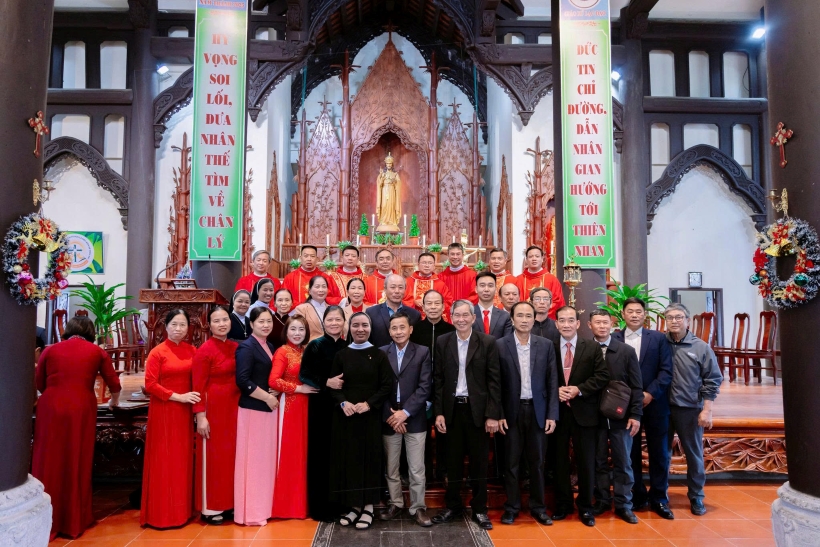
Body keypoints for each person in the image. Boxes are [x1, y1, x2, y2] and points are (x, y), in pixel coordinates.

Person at [32, 316, 122, 541]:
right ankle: (73, 519)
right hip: (81, 407)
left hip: (50, 406)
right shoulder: (96, 352)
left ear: (68, 330)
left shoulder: (50, 350)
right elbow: (114, 383)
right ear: (91, 333)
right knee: (76, 458)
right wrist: (114, 402)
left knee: (48, 458)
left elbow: (39, 383)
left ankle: (45, 518)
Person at [431, 300, 502, 531]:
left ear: (473, 318)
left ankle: (480, 509)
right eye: (457, 315)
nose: (461, 319)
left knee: (479, 463)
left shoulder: (487, 342)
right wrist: (439, 413)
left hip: (477, 412)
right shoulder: (443, 341)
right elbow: (438, 380)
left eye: (465, 315)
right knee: (452, 462)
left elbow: (494, 381)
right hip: (452, 410)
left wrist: (492, 414)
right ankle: (452, 506)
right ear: (451, 317)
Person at [328, 312, 393, 530]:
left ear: (370, 328)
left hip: (370, 416)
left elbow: (386, 385)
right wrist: (343, 403)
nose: (360, 329)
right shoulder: (342, 355)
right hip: (346, 417)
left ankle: (368, 507)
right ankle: (354, 506)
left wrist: (369, 404)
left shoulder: (379, 354)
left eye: (365, 325)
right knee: (350, 460)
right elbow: (334, 385)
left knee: (370, 459)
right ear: (349, 328)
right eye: (355, 325)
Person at [611, 297, 674, 519]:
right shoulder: (614, 338)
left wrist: (650, 394)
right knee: (631, 453)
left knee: (659, 453)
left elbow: (666, 370)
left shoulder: (658, 338)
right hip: (626, 406)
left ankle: (659, 499)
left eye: (638, 311)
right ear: (623, 314)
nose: (634, 315)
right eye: (630, 311)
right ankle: (637, 495)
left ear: (644, 315)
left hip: (655, 403)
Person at [496, 301, 558, 526]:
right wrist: (499, 413)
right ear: (512, 319)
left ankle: (538, 507)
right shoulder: (500, 345)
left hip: (537, 411)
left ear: (534, 319)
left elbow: (553, 381)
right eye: (519, 316)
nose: (524, 320)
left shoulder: (546, 345)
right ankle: (512, 507)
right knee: (511, 463)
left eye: (528, 316)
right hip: (511, 413)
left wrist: (552, 414)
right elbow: (495, 384)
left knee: (537, 463)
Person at [141, 309, 200, 529]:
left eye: (183, 325)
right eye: (174, 324)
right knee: (164, 460)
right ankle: (161, 515)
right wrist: (178, 396)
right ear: (165, 327)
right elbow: (150, 384)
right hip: (164, 410)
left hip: (184, 413)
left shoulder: (192, 351)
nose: (178, 329)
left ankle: (181, 512)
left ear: (188, 328)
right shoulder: (157, 352)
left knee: (181, 460)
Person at [552, 306, 610, 527]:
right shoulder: (548, 346)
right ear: (556, 323)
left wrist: (579, 389)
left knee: (586, 461)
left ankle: (585, 506)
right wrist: (555, 390)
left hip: (585, 412)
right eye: (562, 320)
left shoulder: (592, 347)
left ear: (577, 324)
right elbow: (543, 376)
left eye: (570, 320)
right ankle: (563, 504)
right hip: (557, 413)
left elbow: (602, 376)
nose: (566, 324)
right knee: (559, 461)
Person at [664, 303, 722, 516]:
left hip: (689, 408)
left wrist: (707, 409)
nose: (674, 321)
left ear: (687, 320)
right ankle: (660, 495)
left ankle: (696, 496)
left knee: (693, 454)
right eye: (670, 317)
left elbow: (713, 379)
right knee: (661, 453)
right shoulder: (660, 343)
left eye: (679, 317)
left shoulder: (700, 347)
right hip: (663, 409)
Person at [378, 312, 434, 527]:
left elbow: (425, 387)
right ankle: (395, 503)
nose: (398, 332)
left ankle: (418, 507)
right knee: (391, 467)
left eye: (402, 327)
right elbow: (378, 387)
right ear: (389, 331)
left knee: (416, 468)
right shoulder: (382, 352)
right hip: (390, 417)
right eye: (394, 328)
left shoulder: (422, 352)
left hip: (415, 417)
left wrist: (406, 413)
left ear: (410, 330)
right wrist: (392, 415)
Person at [588, 309, 643, 524]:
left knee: (623, 461)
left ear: (612, 324)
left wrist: (636, 414)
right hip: (594, 417)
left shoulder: (626, 351)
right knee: (599, 461)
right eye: (597, 322)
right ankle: (602, 500)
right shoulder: (585, 348)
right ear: (589, 325)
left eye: (605, 322)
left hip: (621, 417)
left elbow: (636, 386)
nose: (602, 326)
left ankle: (624, 504)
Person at [193, 306, 241, 525]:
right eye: (216, 321)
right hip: (213, 409)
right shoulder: (204, 350)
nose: (222, 324)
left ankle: (228, 503)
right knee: (214, 458)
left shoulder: (235, 347)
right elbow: (198, 386)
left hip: (234, 408)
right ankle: (210, 507)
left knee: (231, 458)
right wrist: (200, 416)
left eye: (225, 320)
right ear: (209, 325)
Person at [300, 306, 348, 522]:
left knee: (340, 456)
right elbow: (304, 374)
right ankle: (320, 508)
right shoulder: (315, 345)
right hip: (320, 406)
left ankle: (341, 505)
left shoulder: (348, 346)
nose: (334, 323)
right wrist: (326, 382)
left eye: (338, 319)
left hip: (343, 408)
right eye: (330, 319)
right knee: (321, 456)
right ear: (324, 322)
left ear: (344, 322)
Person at [234, 307, 281, 526]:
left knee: (264, 462)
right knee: (253, 463)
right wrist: (267, 397)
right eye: (261, 321)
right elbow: (243, 381)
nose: (266, 325)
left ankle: (264, 507)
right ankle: (251, 513)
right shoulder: (246, 347)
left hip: (268, 409)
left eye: (268, 321)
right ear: (251, 324)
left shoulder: (269, 346)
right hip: (253, 409)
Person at [270, 316, 318, 519]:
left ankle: (303, 504)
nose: (297, 333)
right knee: (291, 453)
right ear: (286, 332)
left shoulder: (305, 351)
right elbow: (273, 381)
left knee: (304, 453)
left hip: (308, 406)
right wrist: (299, 388)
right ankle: (288, 507)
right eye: (293, 329)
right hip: (290, 406)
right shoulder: (282, 351)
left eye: (301, 329)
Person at [409, 289, 456, 482]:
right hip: (420, 388)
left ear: (444, 306)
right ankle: (425, 474)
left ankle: (444, 471)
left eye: (437, 303)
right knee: (422, 433)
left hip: (445, 388)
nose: (433, 307)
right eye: (429, 303)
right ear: (423, 306)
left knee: (446, 430)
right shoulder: (415, 330)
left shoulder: (452, 330)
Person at [366, 273, 421, 347]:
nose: (397, 291)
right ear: (385, 289)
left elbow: (417, 343)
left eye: (400, 287)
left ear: (405, 289)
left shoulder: (414, 315)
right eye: (393, 287)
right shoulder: (372, 313)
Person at [515, 246, 565, 318]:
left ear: (542, 259)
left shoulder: (552, 280)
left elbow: (557, 302)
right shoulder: (518, 280)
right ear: (526, 260)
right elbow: (515, 301)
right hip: (524, 319)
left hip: (546, 319)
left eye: (537, 256)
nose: (534, 259)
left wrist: (541, 315)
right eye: (531, 256)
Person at [403, 252, 453, 319]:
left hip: (433, 320)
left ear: (434, 266)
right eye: (424, 263)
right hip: (412, 319)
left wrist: (434, 305)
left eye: (430, 263)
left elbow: (448, 303)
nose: (427, 265)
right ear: (418, 265)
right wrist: (414, 302)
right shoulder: (408, 282)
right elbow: (400, 300)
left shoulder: (440, 284)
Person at [473, 271, 513, 339]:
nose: (486, 289)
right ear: (476, 289)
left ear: (495, 289)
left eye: (490, 286)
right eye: (482, 285)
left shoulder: (505, 316)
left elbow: (507, 341)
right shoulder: (469, 314)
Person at [290, 275, 330, 342]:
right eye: (317, 287)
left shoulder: (332, 309)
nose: (321, 290)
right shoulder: (302, 309)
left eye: (324, 286)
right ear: (309, 291)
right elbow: (299, 332)